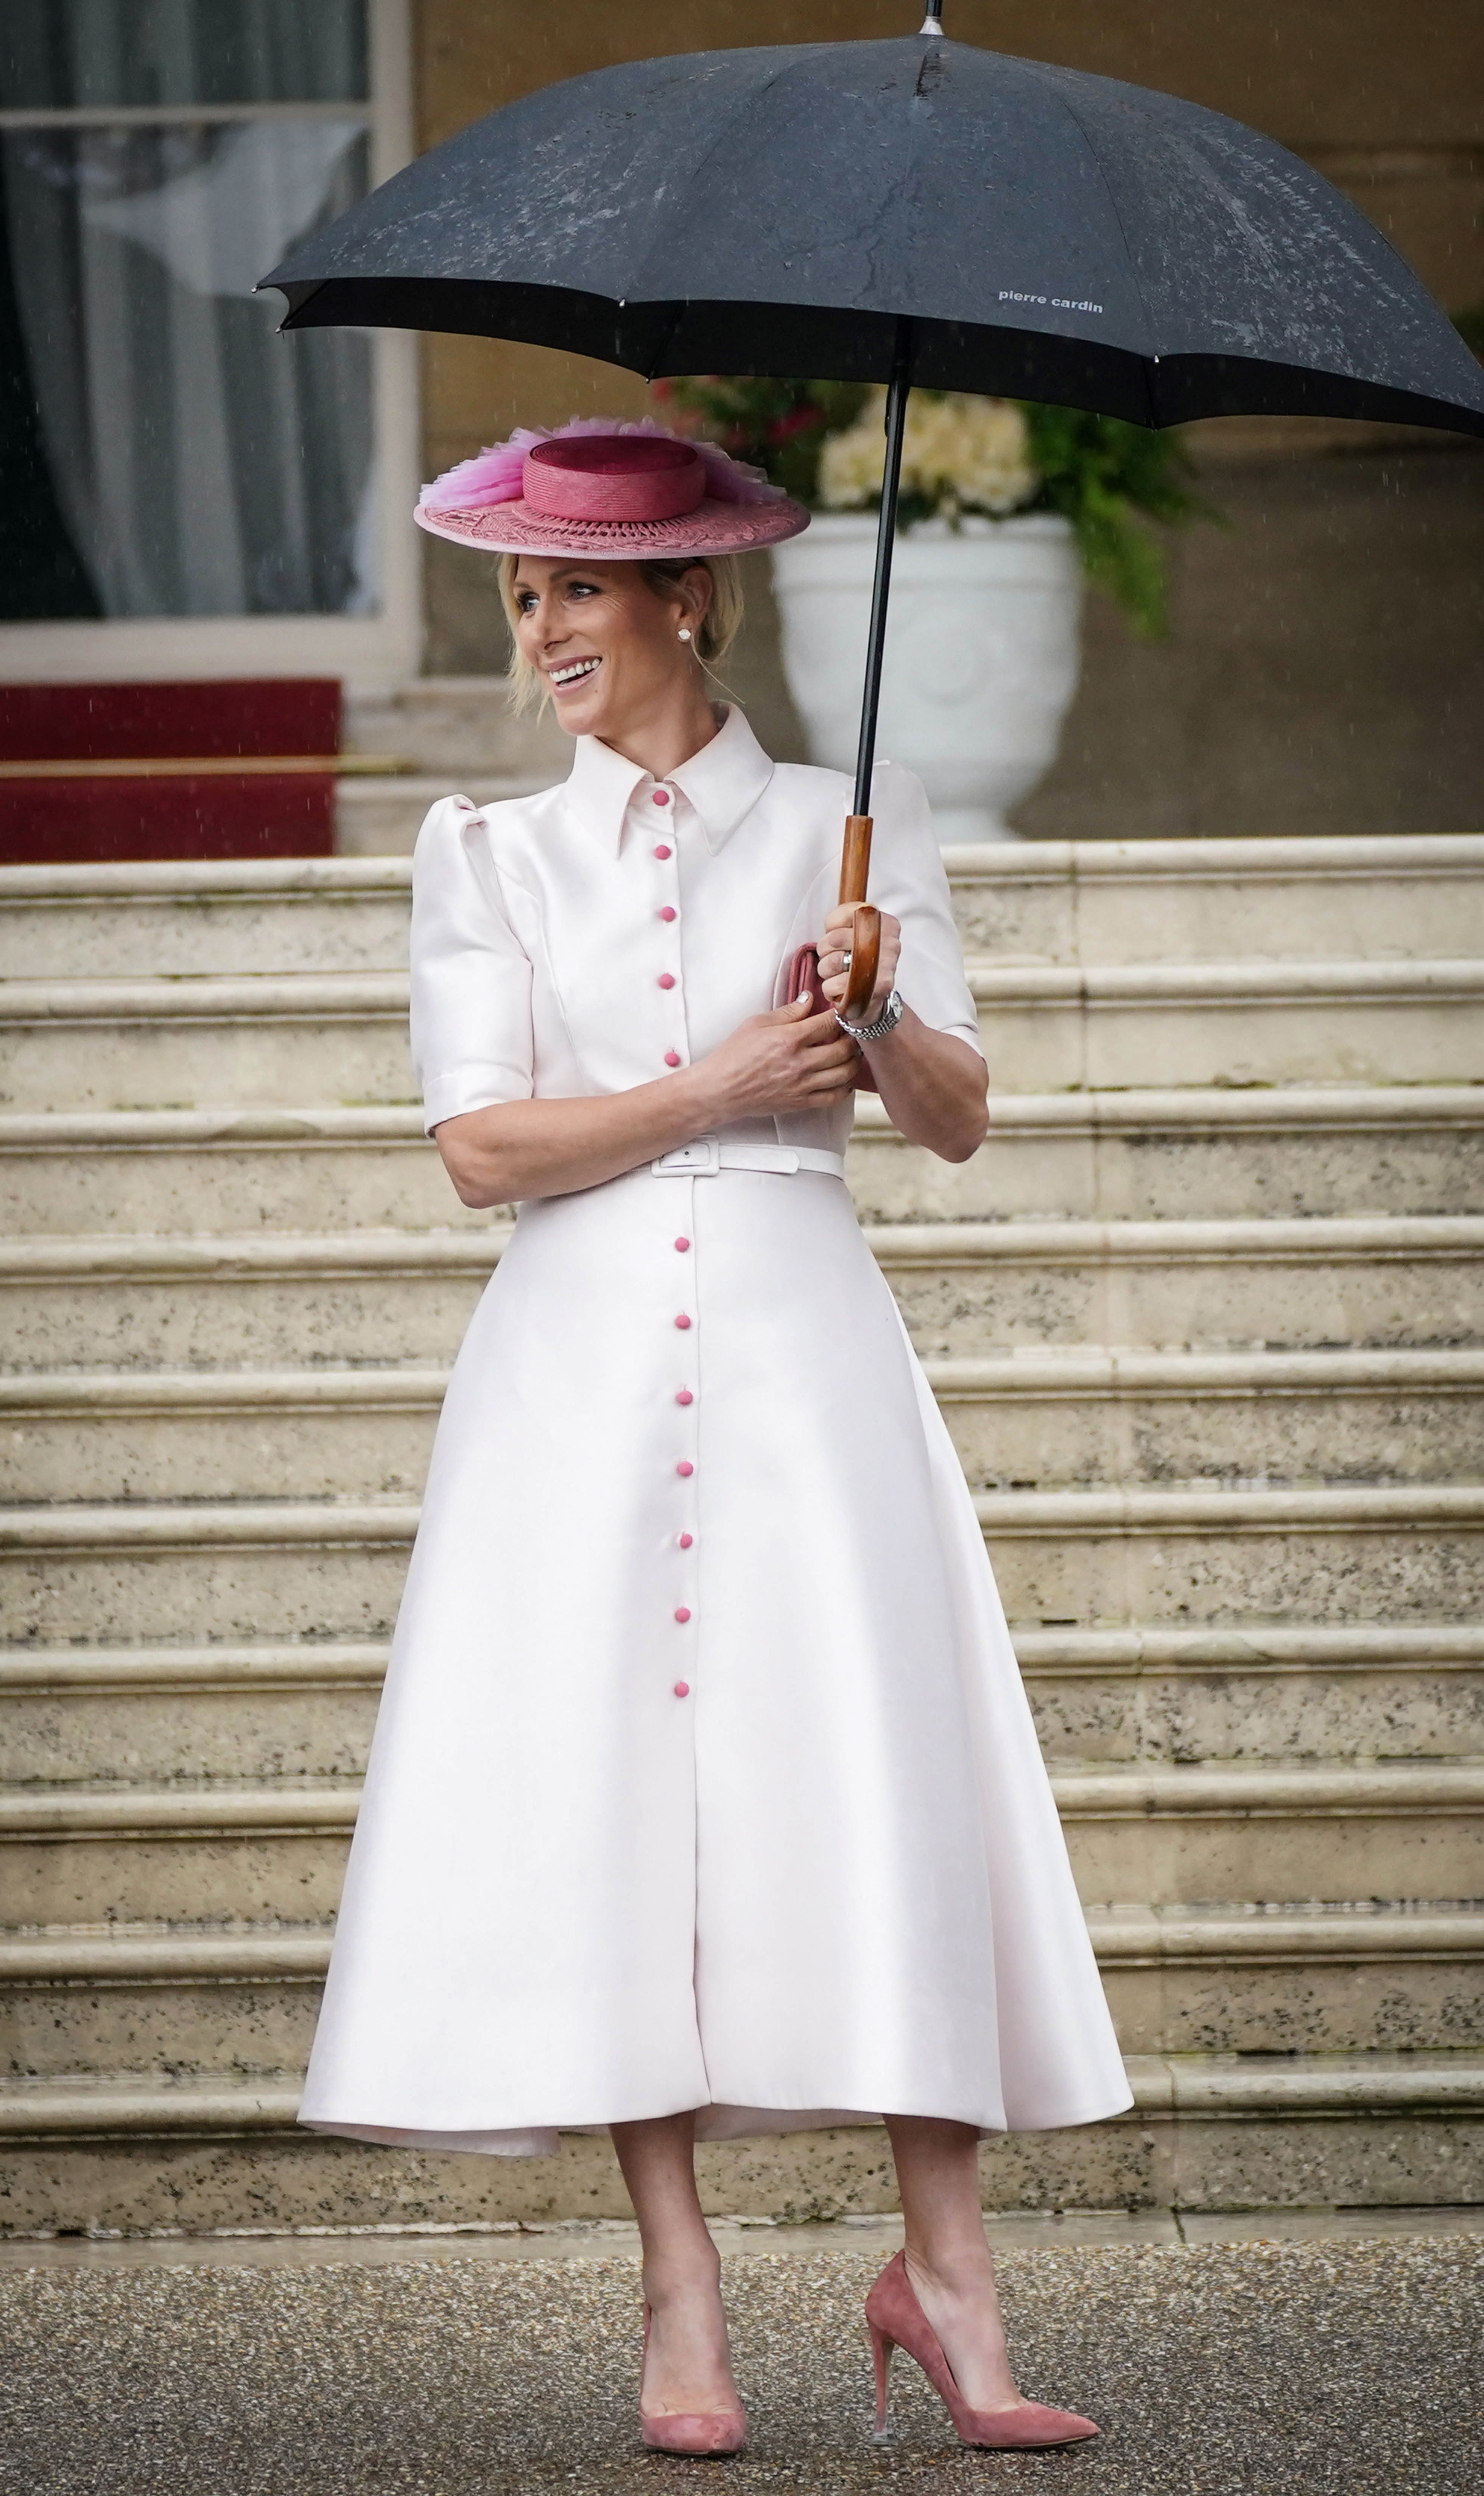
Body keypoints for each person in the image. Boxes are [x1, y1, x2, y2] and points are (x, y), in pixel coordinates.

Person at [299, 418, 1132, 2456]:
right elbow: (481, 1147)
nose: (544, 629)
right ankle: (680, 2290)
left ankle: (944, 2275)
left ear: (689, 594)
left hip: (803, 1348)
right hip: (571, 1370)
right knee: (616, 1811)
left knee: (873, 1772)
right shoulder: (481, 854)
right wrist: (713, 1079)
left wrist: (868, 1017)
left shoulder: (860, 819)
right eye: (523, 594)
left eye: (580, 586)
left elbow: (951, 1116)